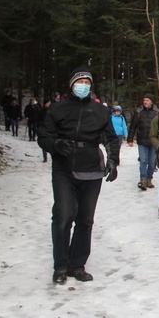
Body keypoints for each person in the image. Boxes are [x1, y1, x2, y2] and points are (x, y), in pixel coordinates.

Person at [38, 67, 119, 284]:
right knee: (63, 216)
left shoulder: (100, 111)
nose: (83, 85)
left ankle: (77, 264)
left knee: (85, 219)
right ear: (72, 84)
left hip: (92, 170)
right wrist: (55, 144)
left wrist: (113, 160)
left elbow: (111, 138)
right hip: (64, 168)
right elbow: (43, 136)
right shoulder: (58, 109)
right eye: (79, 81)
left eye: (87, 82)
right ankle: (61, 265)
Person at [128, 94, 159, 190]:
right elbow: (133, 126)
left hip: (153, 141)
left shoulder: (157, 112)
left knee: (151, 162)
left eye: (147, 100)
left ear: (151, 101)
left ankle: (149, 178)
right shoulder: (139, 112)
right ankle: (143, 179)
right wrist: (130, 139)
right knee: (143, 160)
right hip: (142, 140)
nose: (145, 102)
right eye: (144, 100)